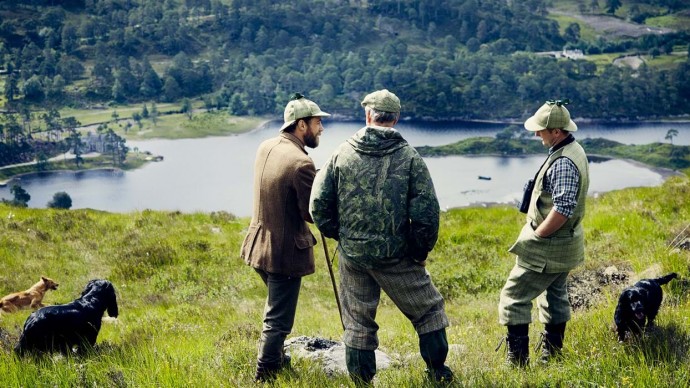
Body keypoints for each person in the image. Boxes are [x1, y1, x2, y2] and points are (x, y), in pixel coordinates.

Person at [310, 89, 453, 385]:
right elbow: (427, 214)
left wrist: (342, 236)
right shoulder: (410, 158)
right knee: (429, 310)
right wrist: (418, 251)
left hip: (354, 255)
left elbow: (318, 206)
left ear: (367, 115)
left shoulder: (340, 154)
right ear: (396, 118)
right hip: (397, 255)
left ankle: (363, 383)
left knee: (358, 322)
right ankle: (437, 373)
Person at [240, 93, 330, 381]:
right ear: (301, 125)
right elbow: (311, 214)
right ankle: (264, 375)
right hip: (283, 254)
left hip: (258, 247)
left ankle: (278, 360)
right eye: (317, 123)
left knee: (274, 310)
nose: (321, 129)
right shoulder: (301, 163)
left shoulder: (266, 146)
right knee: (278, 320)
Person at [497, 99, 590, 367]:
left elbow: (563, 208)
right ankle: (553, 354)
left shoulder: (562, 163)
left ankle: (518, 362)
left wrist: (539, 236)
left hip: (549, 245)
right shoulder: (574, 150)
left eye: (541, 129)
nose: (537, 134)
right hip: (566, 244)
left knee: (513, 297)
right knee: (554, 294)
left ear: (556, 132)